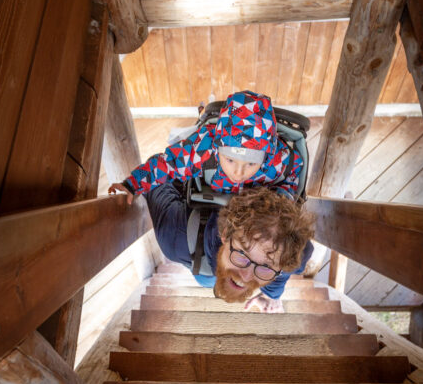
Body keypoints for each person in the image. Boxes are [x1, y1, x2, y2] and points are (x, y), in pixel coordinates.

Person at [143, 181, 315, 311]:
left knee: (205, 279)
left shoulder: (296, 252)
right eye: (242, 254)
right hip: (198, 246)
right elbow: (155, 177)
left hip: (202, 256)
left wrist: (272, 296)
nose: (245, 277)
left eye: (266, 266)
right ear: (224, 234)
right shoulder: (174, 235)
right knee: (205, 279)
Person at [108, 90, 303, 203]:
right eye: (230, 160)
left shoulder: (278, 160)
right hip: (215, 198)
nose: (238, 173)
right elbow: (168, 163)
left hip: (252, 206)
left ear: (266, 155)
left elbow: (294, 170)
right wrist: (132, 185)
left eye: (251, 164)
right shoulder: (203, 149)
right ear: (218, 147)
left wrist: (281, 197)